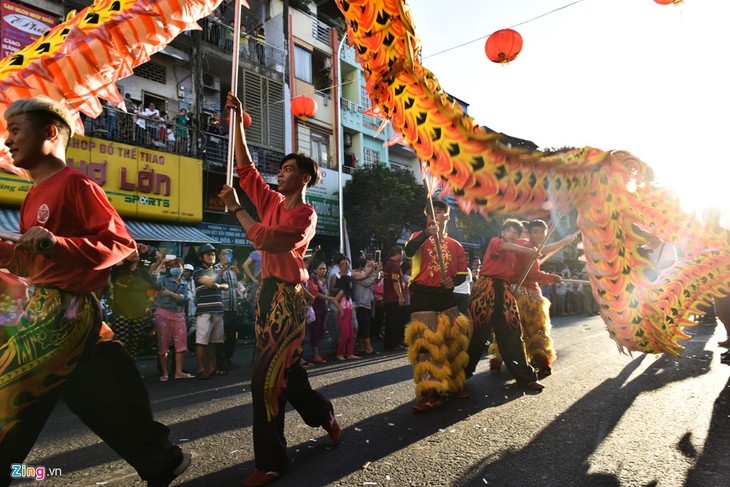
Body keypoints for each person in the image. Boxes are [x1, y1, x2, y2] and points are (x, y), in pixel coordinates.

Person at [0, 97, 190, 486]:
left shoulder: (75, 184)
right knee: (103, 394)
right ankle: (161, 460)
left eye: (15, 130)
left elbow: (120, 243)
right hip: (49, 308)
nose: (7, 141)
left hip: (65, 314)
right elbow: (30, 263)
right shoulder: (33, 194)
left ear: (50, 133)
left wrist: (56, 244)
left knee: (8, 399)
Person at [218, 92, 340, 486]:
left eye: (288, 169)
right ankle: (323, 414)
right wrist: (236, 123)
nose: (280, 173)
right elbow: (245, 168)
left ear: (304, 177)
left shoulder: (305, 214)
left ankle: (271, 462)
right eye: (281, 169)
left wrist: (237, 209)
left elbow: (269, 241)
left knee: (266, 380)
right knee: (287, 373)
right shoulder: (270, 200)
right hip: (265, 297)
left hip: (287, 301)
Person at [403, 200, 471, 412]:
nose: (434, 215)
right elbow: (408, 252)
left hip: (446, 297)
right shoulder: (418, 237)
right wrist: (426, 234)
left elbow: (461, 274)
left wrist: (454, 281)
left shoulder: (456, 245)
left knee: (453, 342)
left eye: (439, 212)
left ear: (447, 217)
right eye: (430, 212)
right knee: (426, 346)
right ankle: (430, 393)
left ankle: (454, 384)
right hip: (423, 296)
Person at [465, 219, 544, 391]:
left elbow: (534, 259)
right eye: (509, 231)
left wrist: (535, 253)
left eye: (515, 233)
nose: (512, 235)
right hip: (486, 288)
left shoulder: (515, 252)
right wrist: (528, 250)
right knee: (475, 333)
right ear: (502, 232)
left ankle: (526, 377)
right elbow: (512, 247)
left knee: (513, 332)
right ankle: (457, 377)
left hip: (506, 290)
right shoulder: (496, 242)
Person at [508, 220, 577, 376]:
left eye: (542, 232)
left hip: (519, 292)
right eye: (535, 232)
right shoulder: (527, 248)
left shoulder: (531, 247)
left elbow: (544, 249)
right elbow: (533, 274)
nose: (539, 235)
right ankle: (542, 361)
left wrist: (565, 241)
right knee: (536, 328)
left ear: (546, 233)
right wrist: (552, 277)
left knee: (516, 328)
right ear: (530, 233)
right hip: (526, 294)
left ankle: (501, 360)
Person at [110, 247, 156, 359]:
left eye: (136, 252)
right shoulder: (118, 269)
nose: (134, 254)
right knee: (122, 342)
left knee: (134, 343)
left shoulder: (142, 273)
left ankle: (132, 370)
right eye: (131, 252)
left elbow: (151, 290)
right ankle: (121, 372)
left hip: (138, 312)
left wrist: (148, 305)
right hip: (121, 312)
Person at [154, 258, 195, 381]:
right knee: (163, 345)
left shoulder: (185, 283)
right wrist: (160, 265)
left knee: (181, 344)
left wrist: (170, 294)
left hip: (179, 315)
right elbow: (154, 281)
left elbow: (186, 298)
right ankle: (165, 373)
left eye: (179, 266)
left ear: (183, 268)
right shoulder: (163, 279)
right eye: (174, 266)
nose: (177, 268)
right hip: (163, 314)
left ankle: (178, 371)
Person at [193, 243, 228, 380]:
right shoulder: (198, 271)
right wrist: (220, 274)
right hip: (204, 311)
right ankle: (201, 369)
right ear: (201, 257)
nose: (211, 256)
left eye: (213, 254)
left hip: (218, 310)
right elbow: (208, 281)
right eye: (208, 254)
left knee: (214, 342)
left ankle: (210, 368)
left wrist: (218, 284)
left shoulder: (216, 271)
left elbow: (226, 285)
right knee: (202, 341)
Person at [307, 260, 343, 363]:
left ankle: (318, 354)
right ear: (315, 270)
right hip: (315, 309)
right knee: (315, 331)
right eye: (321, 269)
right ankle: (315, 355)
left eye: (324, 268)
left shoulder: (324, 280)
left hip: (323, 308)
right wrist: (330, 298)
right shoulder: (313, 280)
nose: (323, 270)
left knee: (320, 332)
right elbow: (316, 294)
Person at [215, 247, 241, 370]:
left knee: (232, 336)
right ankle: (220, 362)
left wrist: (239, 293)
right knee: (220, 336)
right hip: (221, 307)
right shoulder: (215, 268)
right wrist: (222, 269)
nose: (226, 256)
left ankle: (228, 358)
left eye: (229, 254)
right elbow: (213, 282)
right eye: (224, 253)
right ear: (219, 255)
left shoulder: (232, 271)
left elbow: (235, 287)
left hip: (233, 307)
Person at [331, 256, 359, 361]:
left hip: (349, 312)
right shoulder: (342, 291)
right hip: (343, 313)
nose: (351, 284)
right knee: (345, 334)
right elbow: (334, 300)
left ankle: (350, 353)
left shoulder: (347, 293)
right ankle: (339, 353)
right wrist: (341, 310)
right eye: (350, 283)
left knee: (351, 334)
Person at [352, 255, 380, 355]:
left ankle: (361, 346)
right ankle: (368, 347)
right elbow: (367, 282)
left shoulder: (363, 273)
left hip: (366, 303)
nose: (370, 267)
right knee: (365, 326)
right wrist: (375, 271)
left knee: (364, 325)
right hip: (361, 303)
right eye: (368, 265)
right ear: (361, 267)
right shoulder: (355, 274)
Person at [383, 245, 406, 351]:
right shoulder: (394, 266)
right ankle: (393, 344)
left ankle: (390, 343)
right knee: (395, 322)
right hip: (393, 298)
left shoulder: (387, 264)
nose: (402, 256)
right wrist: (400, 297)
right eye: (401, 254)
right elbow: (395, 282)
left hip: (388, 297)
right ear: (397, 254)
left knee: (390, 321)